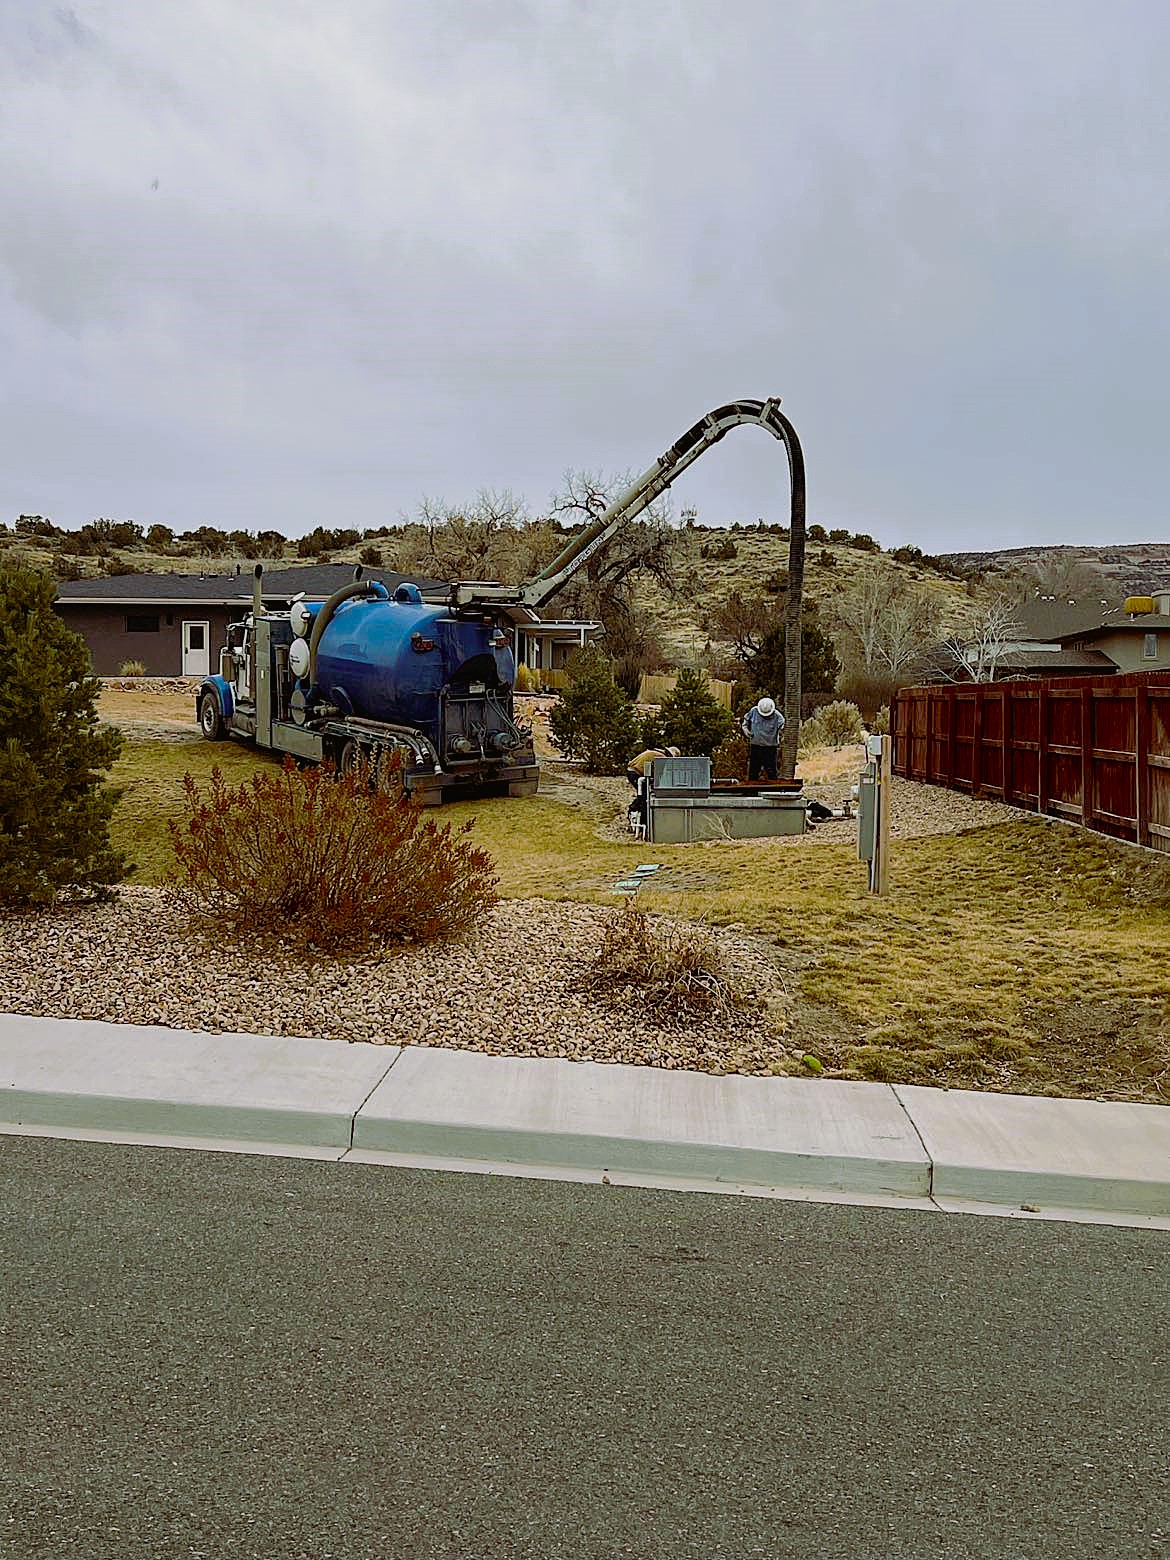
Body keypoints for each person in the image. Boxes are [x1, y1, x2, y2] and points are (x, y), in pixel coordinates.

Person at [741, 696, 784, 781]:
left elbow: (784, 727)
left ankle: (773, 792)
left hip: (770, 748)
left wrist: (782, 736)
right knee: (753, 771)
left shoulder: (778, 716)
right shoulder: (753, 711)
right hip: (755, 746)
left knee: (771, 771)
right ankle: (751, 792)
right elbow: (745, 722)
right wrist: (746, 730)